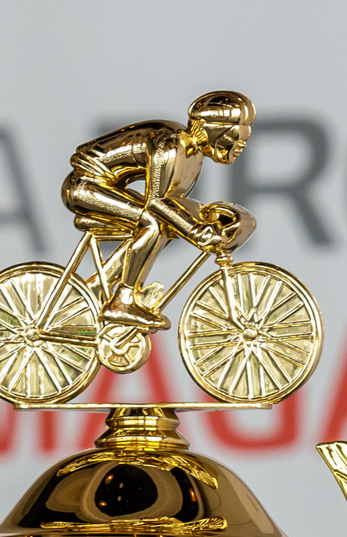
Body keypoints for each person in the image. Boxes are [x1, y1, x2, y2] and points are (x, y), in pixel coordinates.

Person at [61, 90, 256, 347]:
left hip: (102, 185)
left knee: (167, 224)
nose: (241, 145)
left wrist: (214, 217)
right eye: (236, 136)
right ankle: (123, 301)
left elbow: (176, 204)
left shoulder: (192, 155)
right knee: (153, 224)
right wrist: (196, 230)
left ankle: (98, 287)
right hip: (84, 186)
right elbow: (157, 203)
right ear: (214, 130)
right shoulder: (173, 145)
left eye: (245, 137)